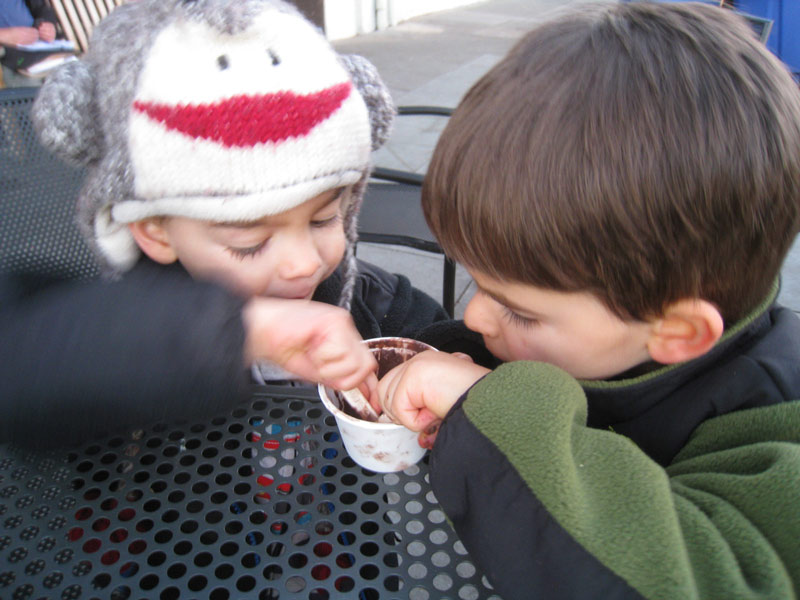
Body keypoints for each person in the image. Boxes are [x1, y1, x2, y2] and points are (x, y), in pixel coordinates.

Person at [375, 2, 800, 598]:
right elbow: (457, 346)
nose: (474, 315)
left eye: (518, 309)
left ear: (675, 332)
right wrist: (365, 306)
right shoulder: (591, 322)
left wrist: (488, 406)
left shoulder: (772, 430)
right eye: (477, 282)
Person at [0, 0, 447, 448]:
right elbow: (22, 367)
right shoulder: (114, 334)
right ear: (155, 230)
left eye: (324, 218)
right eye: (250, 242)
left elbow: (443, 337)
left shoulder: (367, 302)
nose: (305, 264)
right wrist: (240, 332)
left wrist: (452, 370)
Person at [0, 0, 57, 86]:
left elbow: (41, 8)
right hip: (8, 58)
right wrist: (4, 35)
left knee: (71, 72)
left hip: (38, 47)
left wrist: (47, 25)